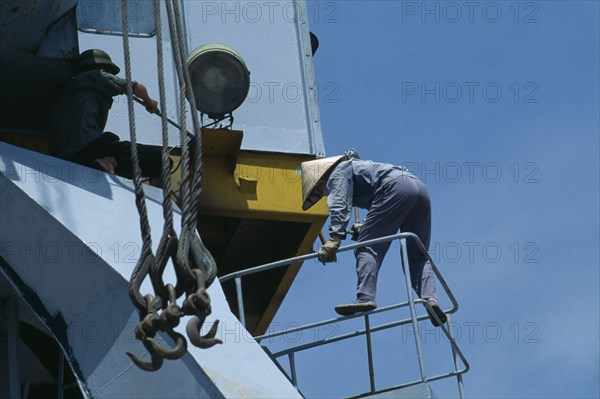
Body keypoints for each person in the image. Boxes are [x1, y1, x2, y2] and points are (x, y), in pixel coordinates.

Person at [301, 149, 448, 326]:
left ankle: (365, 296)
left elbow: (340, 205)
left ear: (319, 179)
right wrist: (364, 225)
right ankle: (430, 299)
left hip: (394, 188)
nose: (320, 193)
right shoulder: (357, 168)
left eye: (317, 190)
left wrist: (334, 239)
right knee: (417, 255)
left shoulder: (337, 173)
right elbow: (381, 206)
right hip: (418, 189)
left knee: (366, 246)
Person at [50, 49, 163, 179]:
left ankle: (107, 166)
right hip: (89, 145)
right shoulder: (96, 76)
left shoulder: (70, 88)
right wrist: (149, 102)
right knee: (159, 160)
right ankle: (111, 162)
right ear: (102, 67)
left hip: (67, 156)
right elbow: (136, 87)